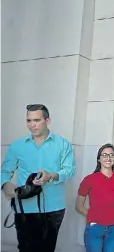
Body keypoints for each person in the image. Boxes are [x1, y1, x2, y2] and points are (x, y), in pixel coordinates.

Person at [1, 104, 76, 252]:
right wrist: (5, 184)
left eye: (36, 120)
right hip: (25, 208)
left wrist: (51, 176)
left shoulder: (63, 144)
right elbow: (4, 171)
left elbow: (70, 170)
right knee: (26, 248)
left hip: (54, 208)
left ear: (47, 121)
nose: (32, 125)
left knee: (47, 249)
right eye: (29, 120)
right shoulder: (17, 146)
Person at [76, 143, 114, 252]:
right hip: (95, 229)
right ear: (99, 159)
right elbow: (78, 206)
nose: (108, 158)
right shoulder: (89, 179)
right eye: (104, 155)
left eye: (111, 155)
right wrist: (93, 216)